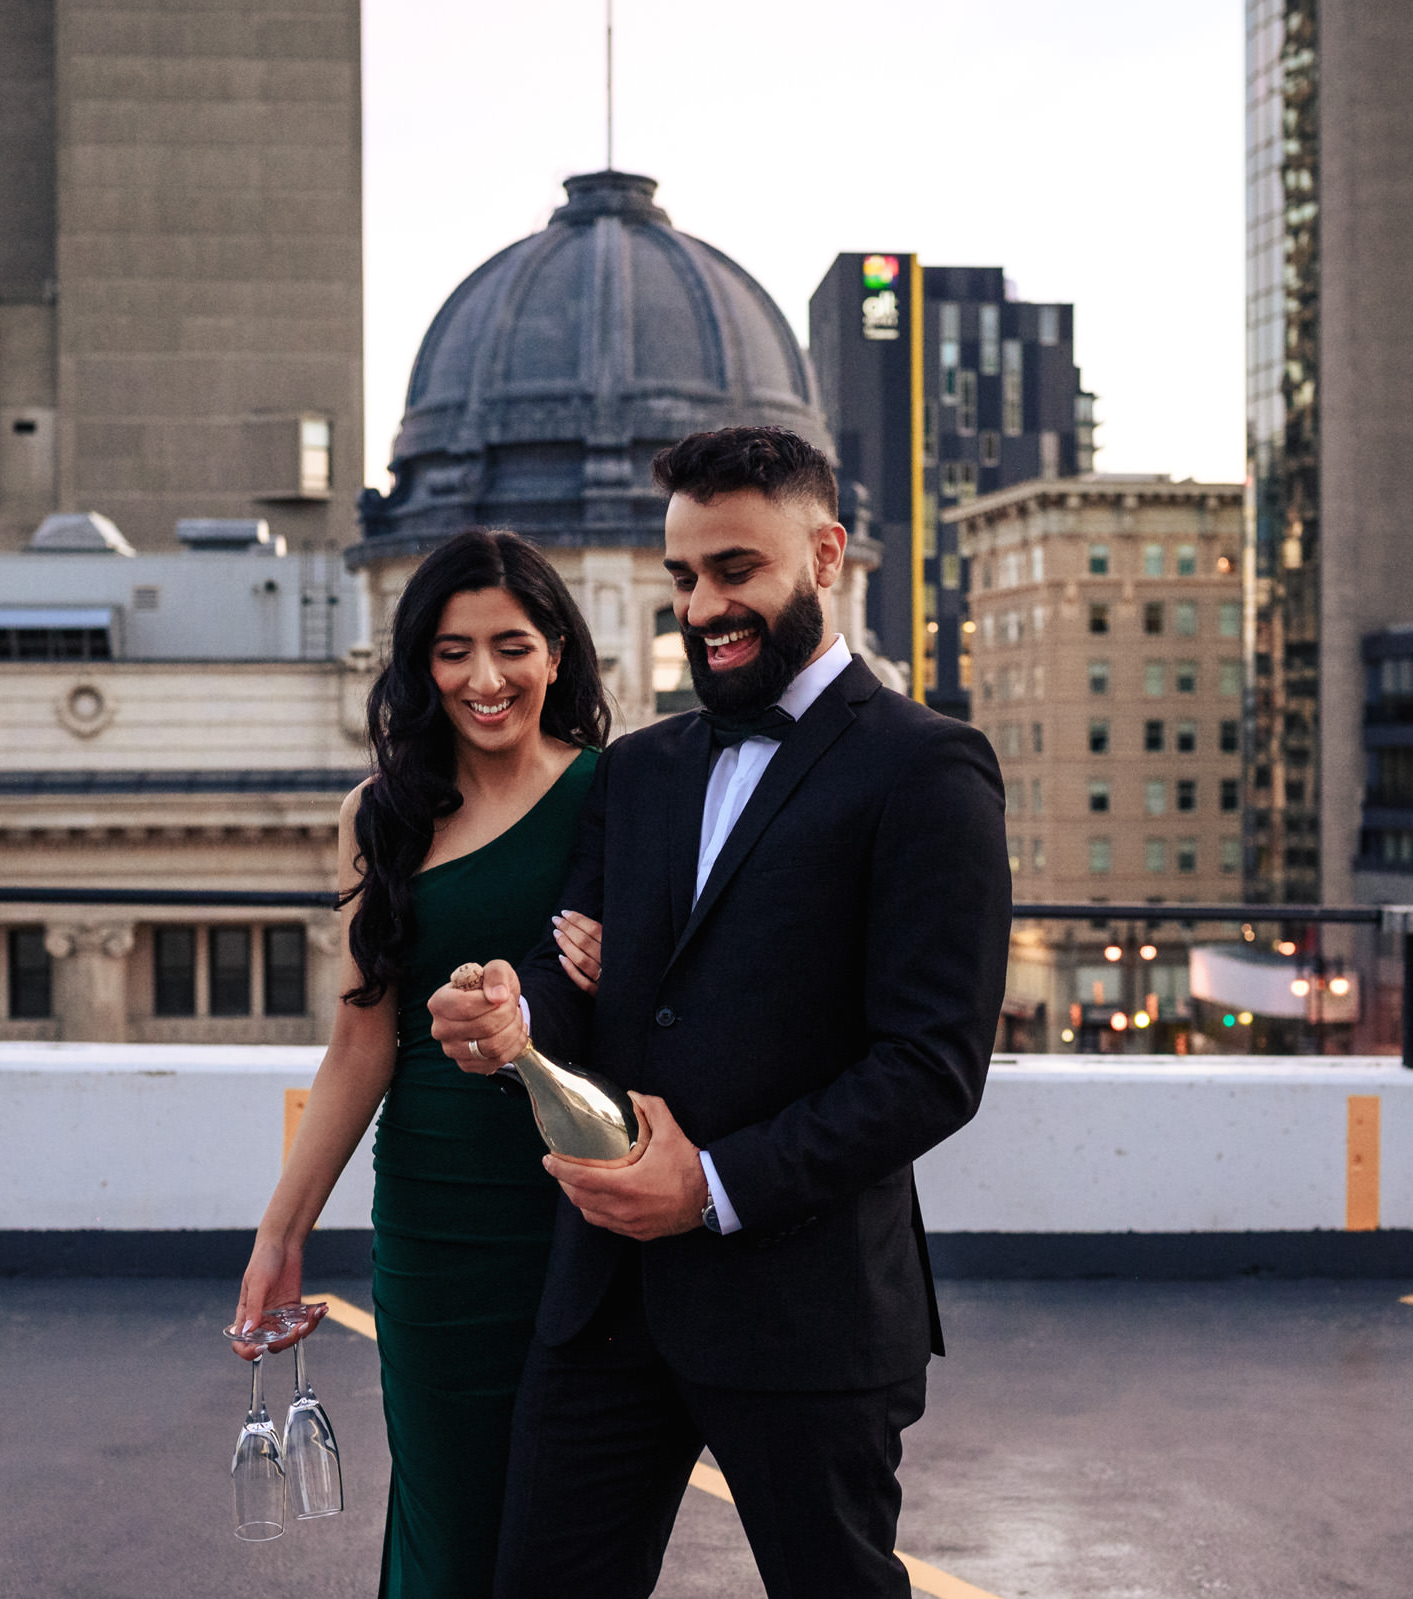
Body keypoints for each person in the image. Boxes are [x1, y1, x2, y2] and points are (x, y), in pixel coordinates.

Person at [428, 426, 1012, 1599]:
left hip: (808, 1312)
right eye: (684, 579)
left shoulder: (929, 767)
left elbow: (931, 1066)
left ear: (827, 554)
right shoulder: (637, 769)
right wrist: (507, 1017)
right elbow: (577, 980)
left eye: (735, 571)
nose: (703, 608)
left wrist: (708, 1187)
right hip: (604, 1307)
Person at [232, 528, 612, 1598]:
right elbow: (361, 1042)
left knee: (563, 1526)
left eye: (512, 646)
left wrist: (625, 965)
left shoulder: (618, 794)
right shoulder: (381, 815)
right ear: (420, 664)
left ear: (558, 654)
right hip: (435, 1221)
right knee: (447, 1515)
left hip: (577, 1208)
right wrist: (281, 1231)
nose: (485, 679)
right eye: (453, 651)